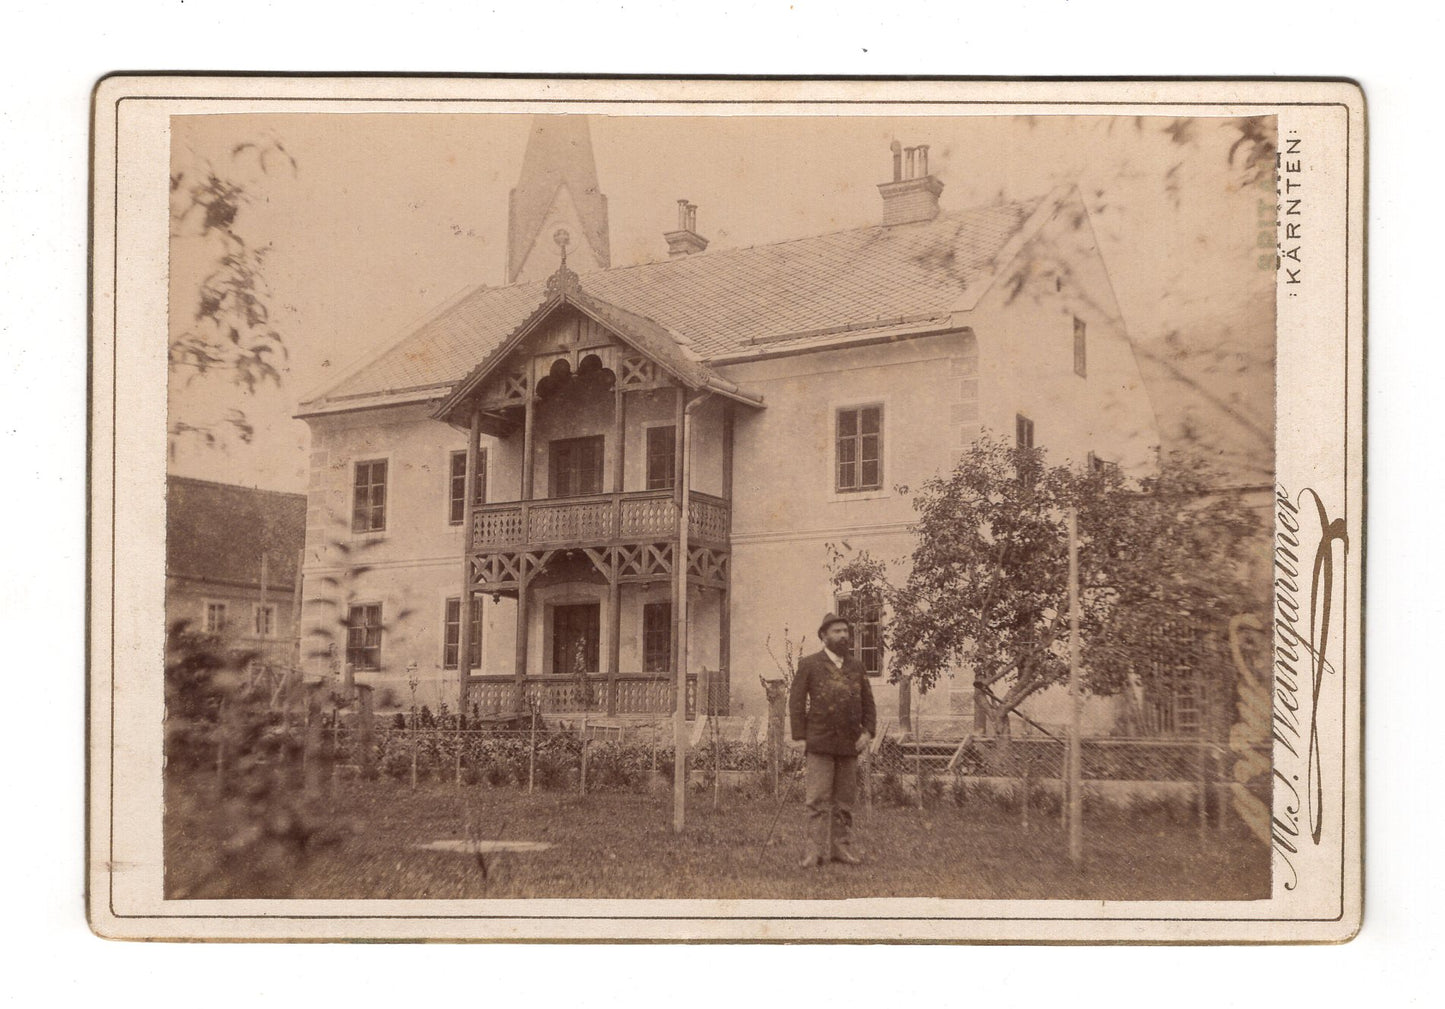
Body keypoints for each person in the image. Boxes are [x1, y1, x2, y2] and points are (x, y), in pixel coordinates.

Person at [788, 611, 877, 867]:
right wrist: (799, 737)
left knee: (844, 801)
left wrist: (867, 732)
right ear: (823, 636)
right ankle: (813, 852)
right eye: (836, 631)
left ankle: (841, 849)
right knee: (817, 800)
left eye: (845, 631)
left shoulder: (856, 666)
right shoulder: (810, 664)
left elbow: (868, 703)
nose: (843, 636)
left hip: (849, 743)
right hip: (819, 741)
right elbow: (796, 702)